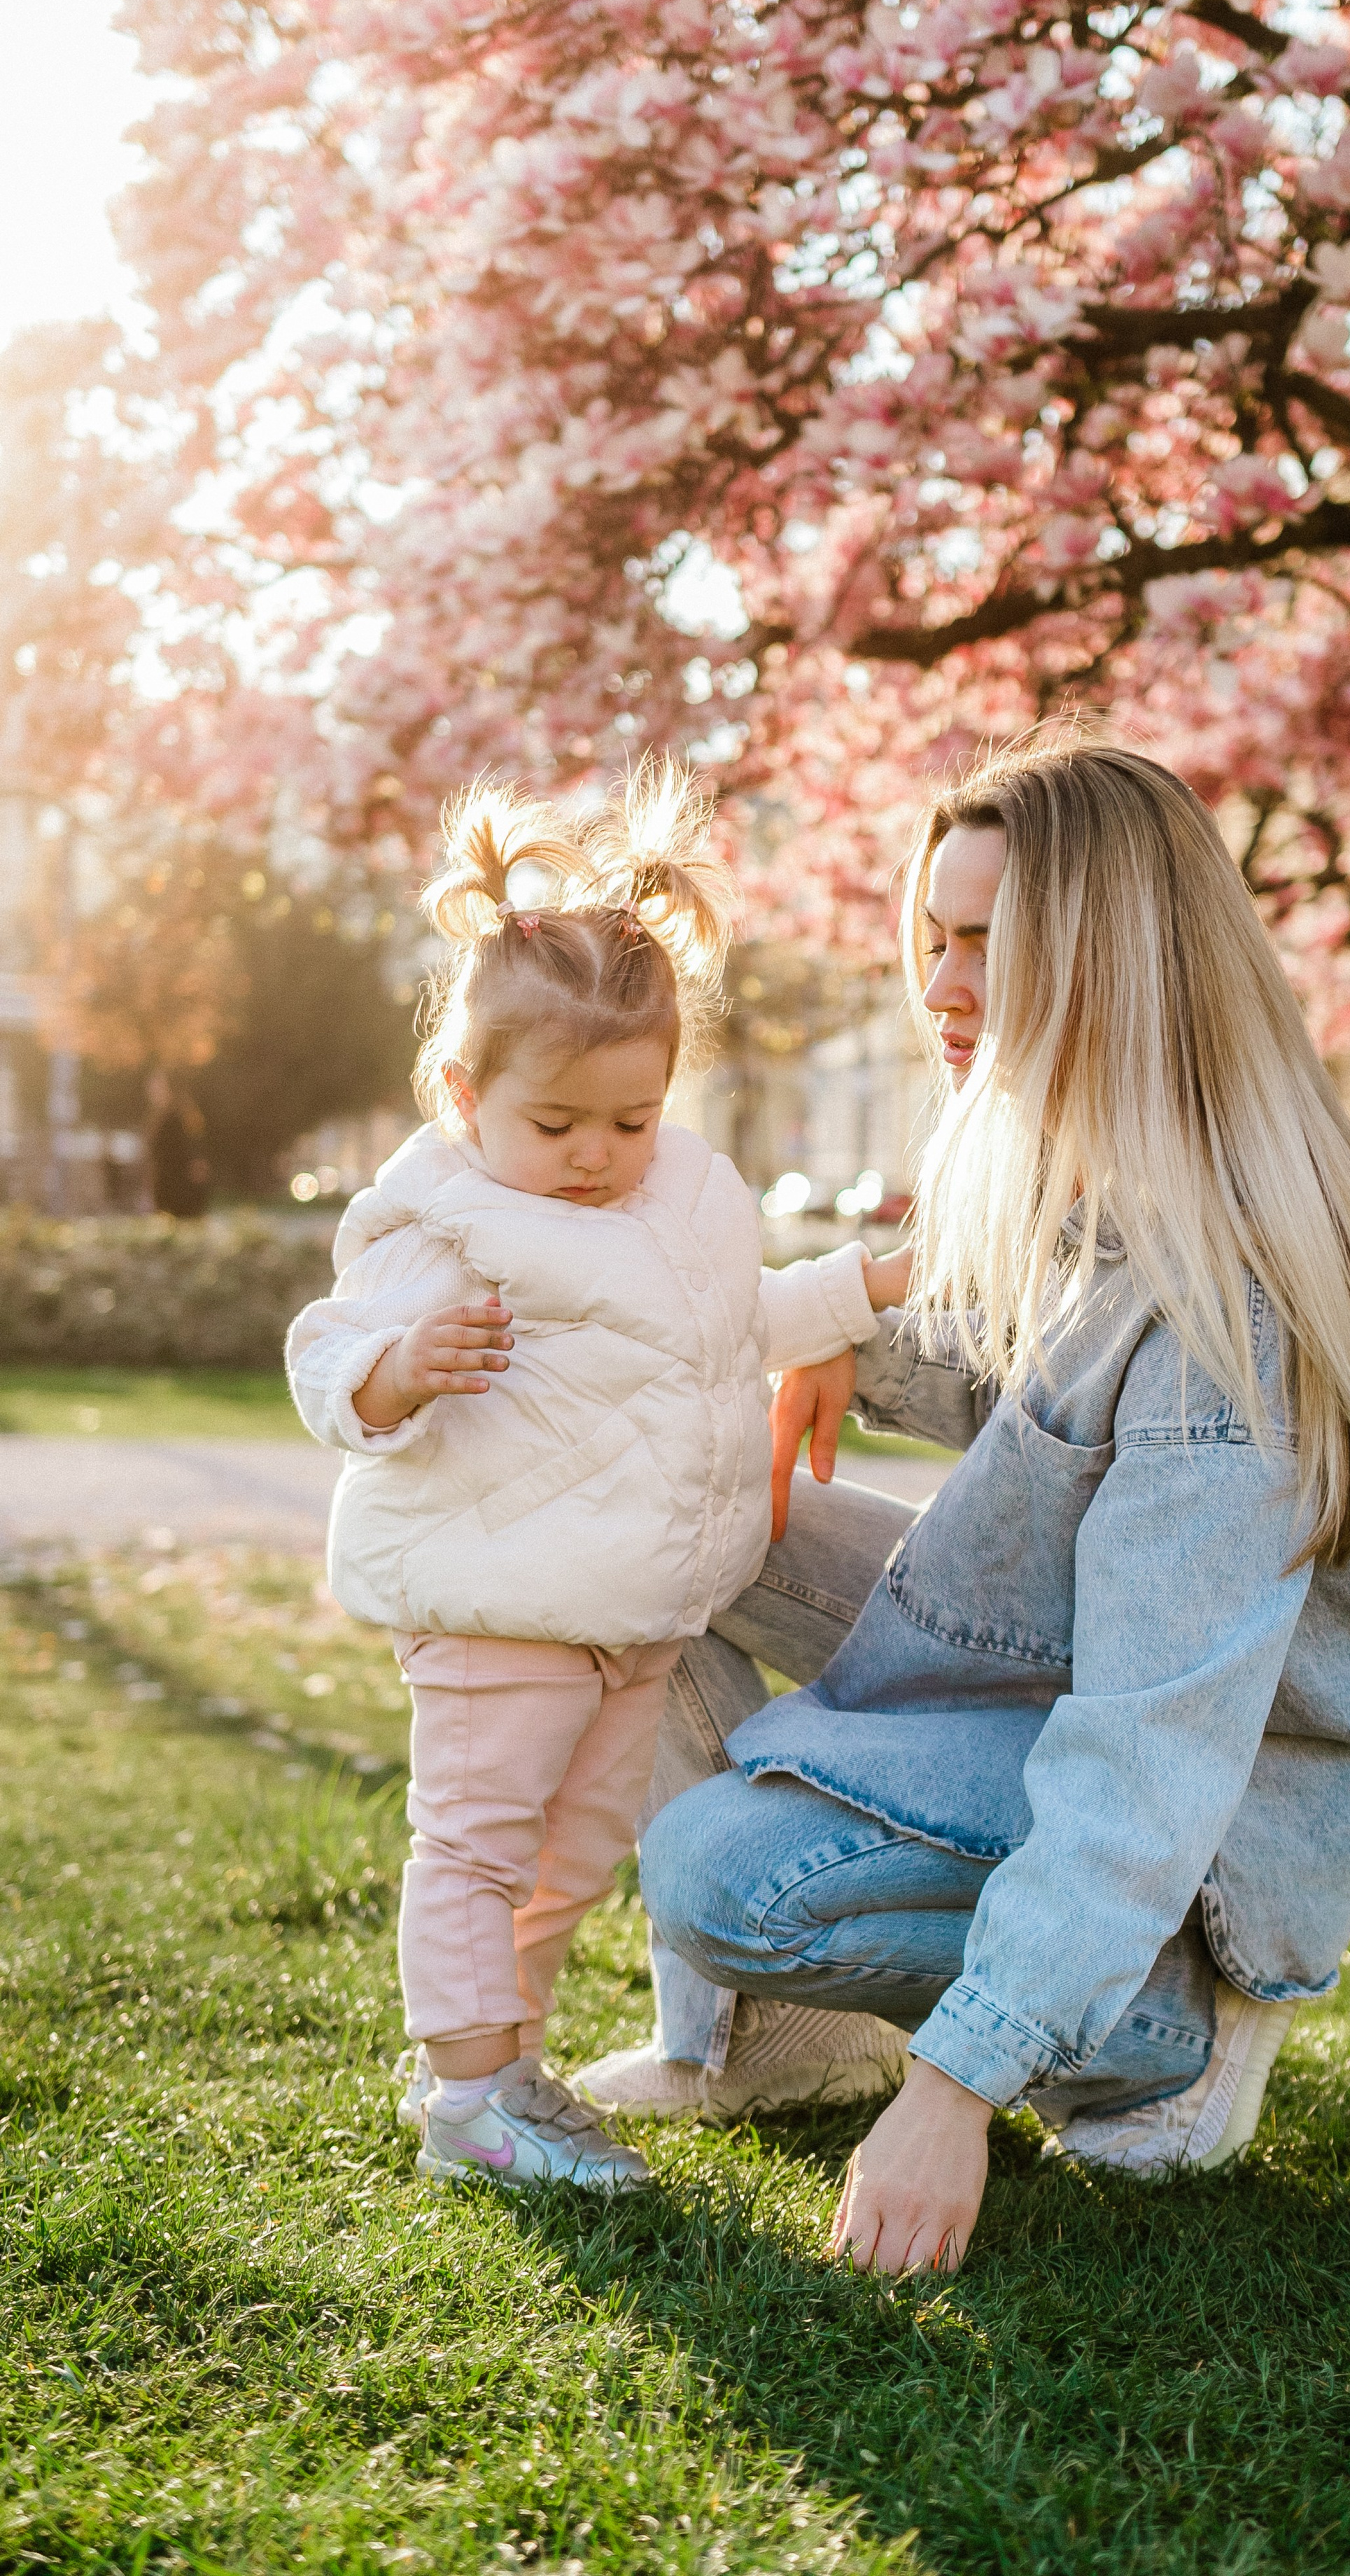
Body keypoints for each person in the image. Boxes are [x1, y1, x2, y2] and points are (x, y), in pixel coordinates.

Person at [598, 741, 1350, 2272]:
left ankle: (1160, 2037)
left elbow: (1150, 1758)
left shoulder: (1227, 1311)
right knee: (655, 1497)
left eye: (988, 939)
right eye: (932, 934)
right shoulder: (1102, 1179)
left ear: (1115, 955)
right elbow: (990, 1357)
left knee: (724, 1868)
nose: (939, 979)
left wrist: (953, 2091)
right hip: (1061, 1673)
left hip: (1199, 1840)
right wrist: (833, 1349)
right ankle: (767, 2041)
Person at [286, 769, 909, 2193]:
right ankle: (465, 2098)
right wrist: (395, 1368)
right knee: (477, 1848)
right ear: (464, 1094)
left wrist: (865, 1286)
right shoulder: (440, 1212)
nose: (593, 1157)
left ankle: (499, 2060)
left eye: (628, 1122)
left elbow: (735, 1322)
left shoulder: (677, 1190)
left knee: (569, 1861)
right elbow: (328, 1356)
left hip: (631, 1615)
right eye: (557, 1123)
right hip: (495, 1601)